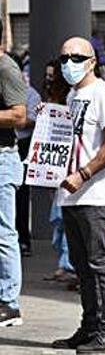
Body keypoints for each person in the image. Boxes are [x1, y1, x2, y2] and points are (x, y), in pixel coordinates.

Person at [50, 37, 105, 353]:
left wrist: (83, 174)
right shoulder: (71, 96)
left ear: (92, 61)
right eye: (64, 57)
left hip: (93, 193)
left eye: (77, 56)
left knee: (100, 262)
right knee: (81, 265)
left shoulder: (102, 92)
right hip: (69, 194)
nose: (69, 63)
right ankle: (91, 325)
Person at [41, 61, 76, 285]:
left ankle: (70, 265)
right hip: (56, 168)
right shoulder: (51, 102)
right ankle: (65, 264)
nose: (49, 81)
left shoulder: (71, 100)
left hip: (70, 170)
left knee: (67, 220)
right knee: (59, 219)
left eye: (53, 77)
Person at [0, 45, 27, 327]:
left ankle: (9, 303)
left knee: (4, 232)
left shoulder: (6, 68)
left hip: (3, 159)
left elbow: (18, 115)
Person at [13, 54, 39, 258]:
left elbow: (29, 119)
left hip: (22, 145)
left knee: (21, 197)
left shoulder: (30, 94)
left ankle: (23, 239)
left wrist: (16, 121)